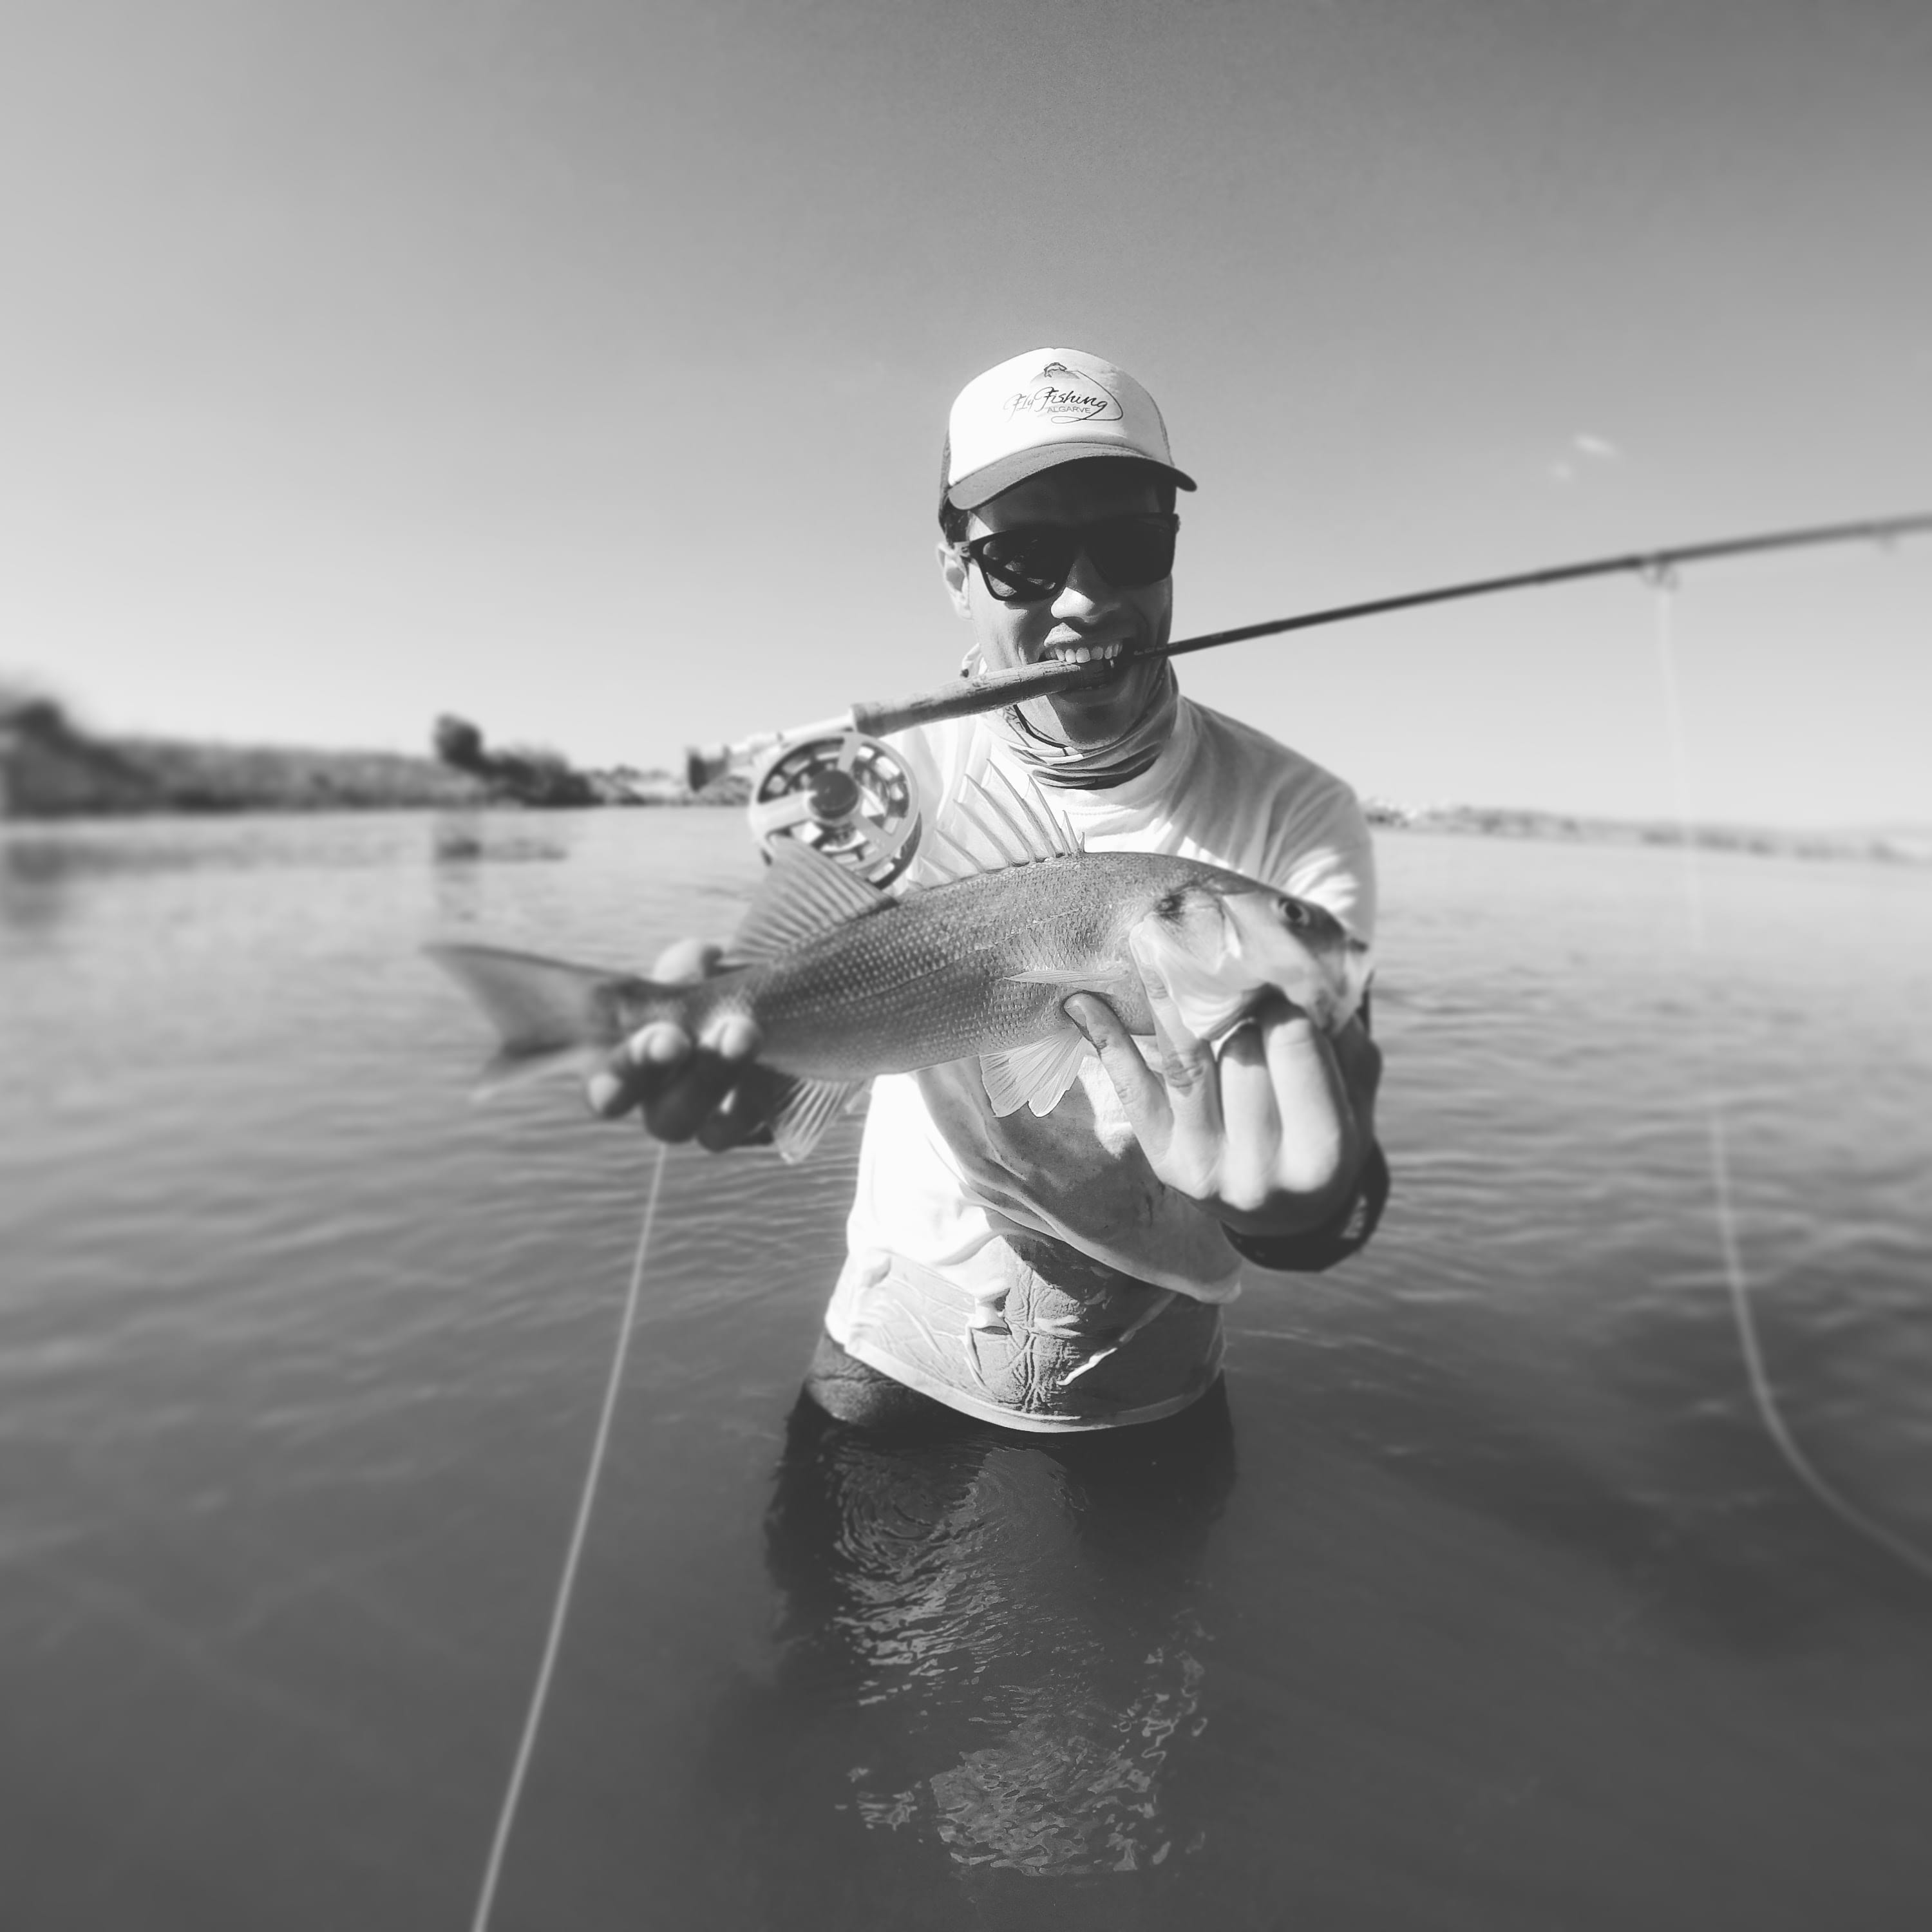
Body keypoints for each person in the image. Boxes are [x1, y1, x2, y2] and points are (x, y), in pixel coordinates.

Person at [589, 348, 1387, 1433]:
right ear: (955, 571)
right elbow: (824, 1037)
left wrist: (1308, 1214)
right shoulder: (879, 790)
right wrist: (749, 1077)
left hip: (1147, 1375)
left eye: (1132, 544)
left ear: (1172, 551)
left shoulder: (1299, 814)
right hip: (888, 1347)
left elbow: (1339, 1159)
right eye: (1022, 558)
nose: (1085, 598)